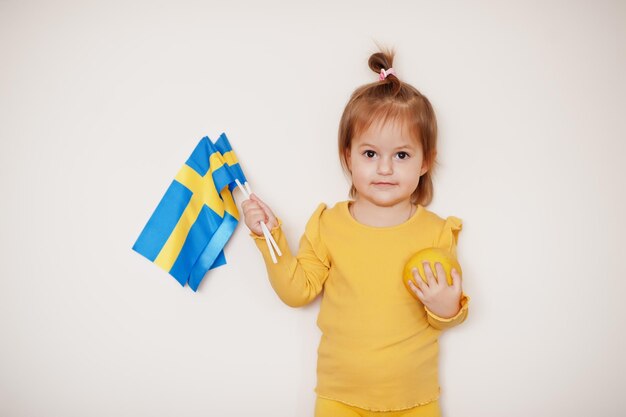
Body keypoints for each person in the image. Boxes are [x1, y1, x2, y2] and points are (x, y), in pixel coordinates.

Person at [241, 47, 470, 417]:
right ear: (348, 156)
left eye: (401, 155)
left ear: (425, 161)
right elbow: (297, 292)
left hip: (415, 399)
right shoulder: (329, 224)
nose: (384, 168)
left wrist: (446, 308)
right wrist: (269, 238)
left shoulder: (436, 232)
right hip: (340, 399)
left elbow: (447, 312)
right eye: (369, 154)